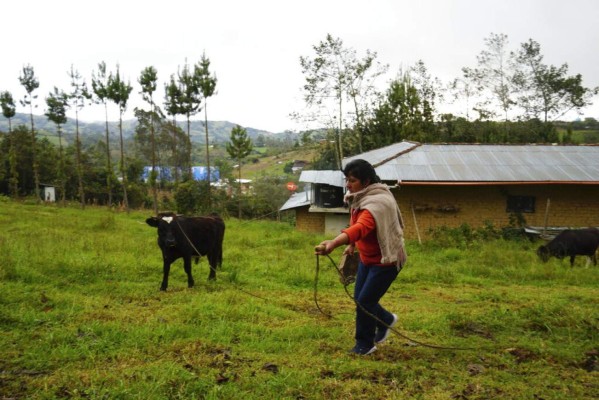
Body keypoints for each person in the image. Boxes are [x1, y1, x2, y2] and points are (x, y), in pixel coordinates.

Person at [315, 159, 407, 355]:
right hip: (367, 257)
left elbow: (361, 226)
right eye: (347, 179)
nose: (348, 184)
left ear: (366, 182)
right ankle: (387, 320)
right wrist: (352, 244)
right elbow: (356, 225)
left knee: (365, 301)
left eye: (352, 180)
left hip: (386, 261)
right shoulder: (360, 197)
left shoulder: (378, 202)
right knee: (361, 299)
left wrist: (333, 242)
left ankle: (365, 344)